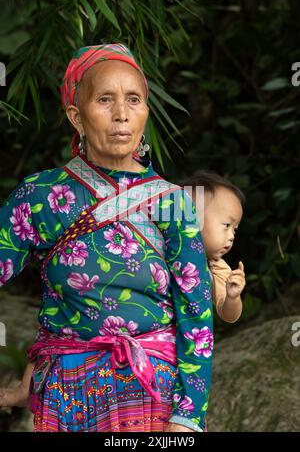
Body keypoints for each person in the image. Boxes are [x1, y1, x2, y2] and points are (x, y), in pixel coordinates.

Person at [0, 44, 213, 432]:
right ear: (76, 117)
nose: (121, 114)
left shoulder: (173, 202)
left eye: (134, 99)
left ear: (146, 113)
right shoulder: (41, 196)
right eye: (104, 100)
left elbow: (196, 314)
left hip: (152, 397)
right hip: (66, 395)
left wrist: (188, 418)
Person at [181, 171, 246, 323]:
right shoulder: (162, 248)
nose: (232, 236)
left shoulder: (217, 268)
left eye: (235, 229)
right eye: (227, 225)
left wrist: (233, 296)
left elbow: (228, 315)